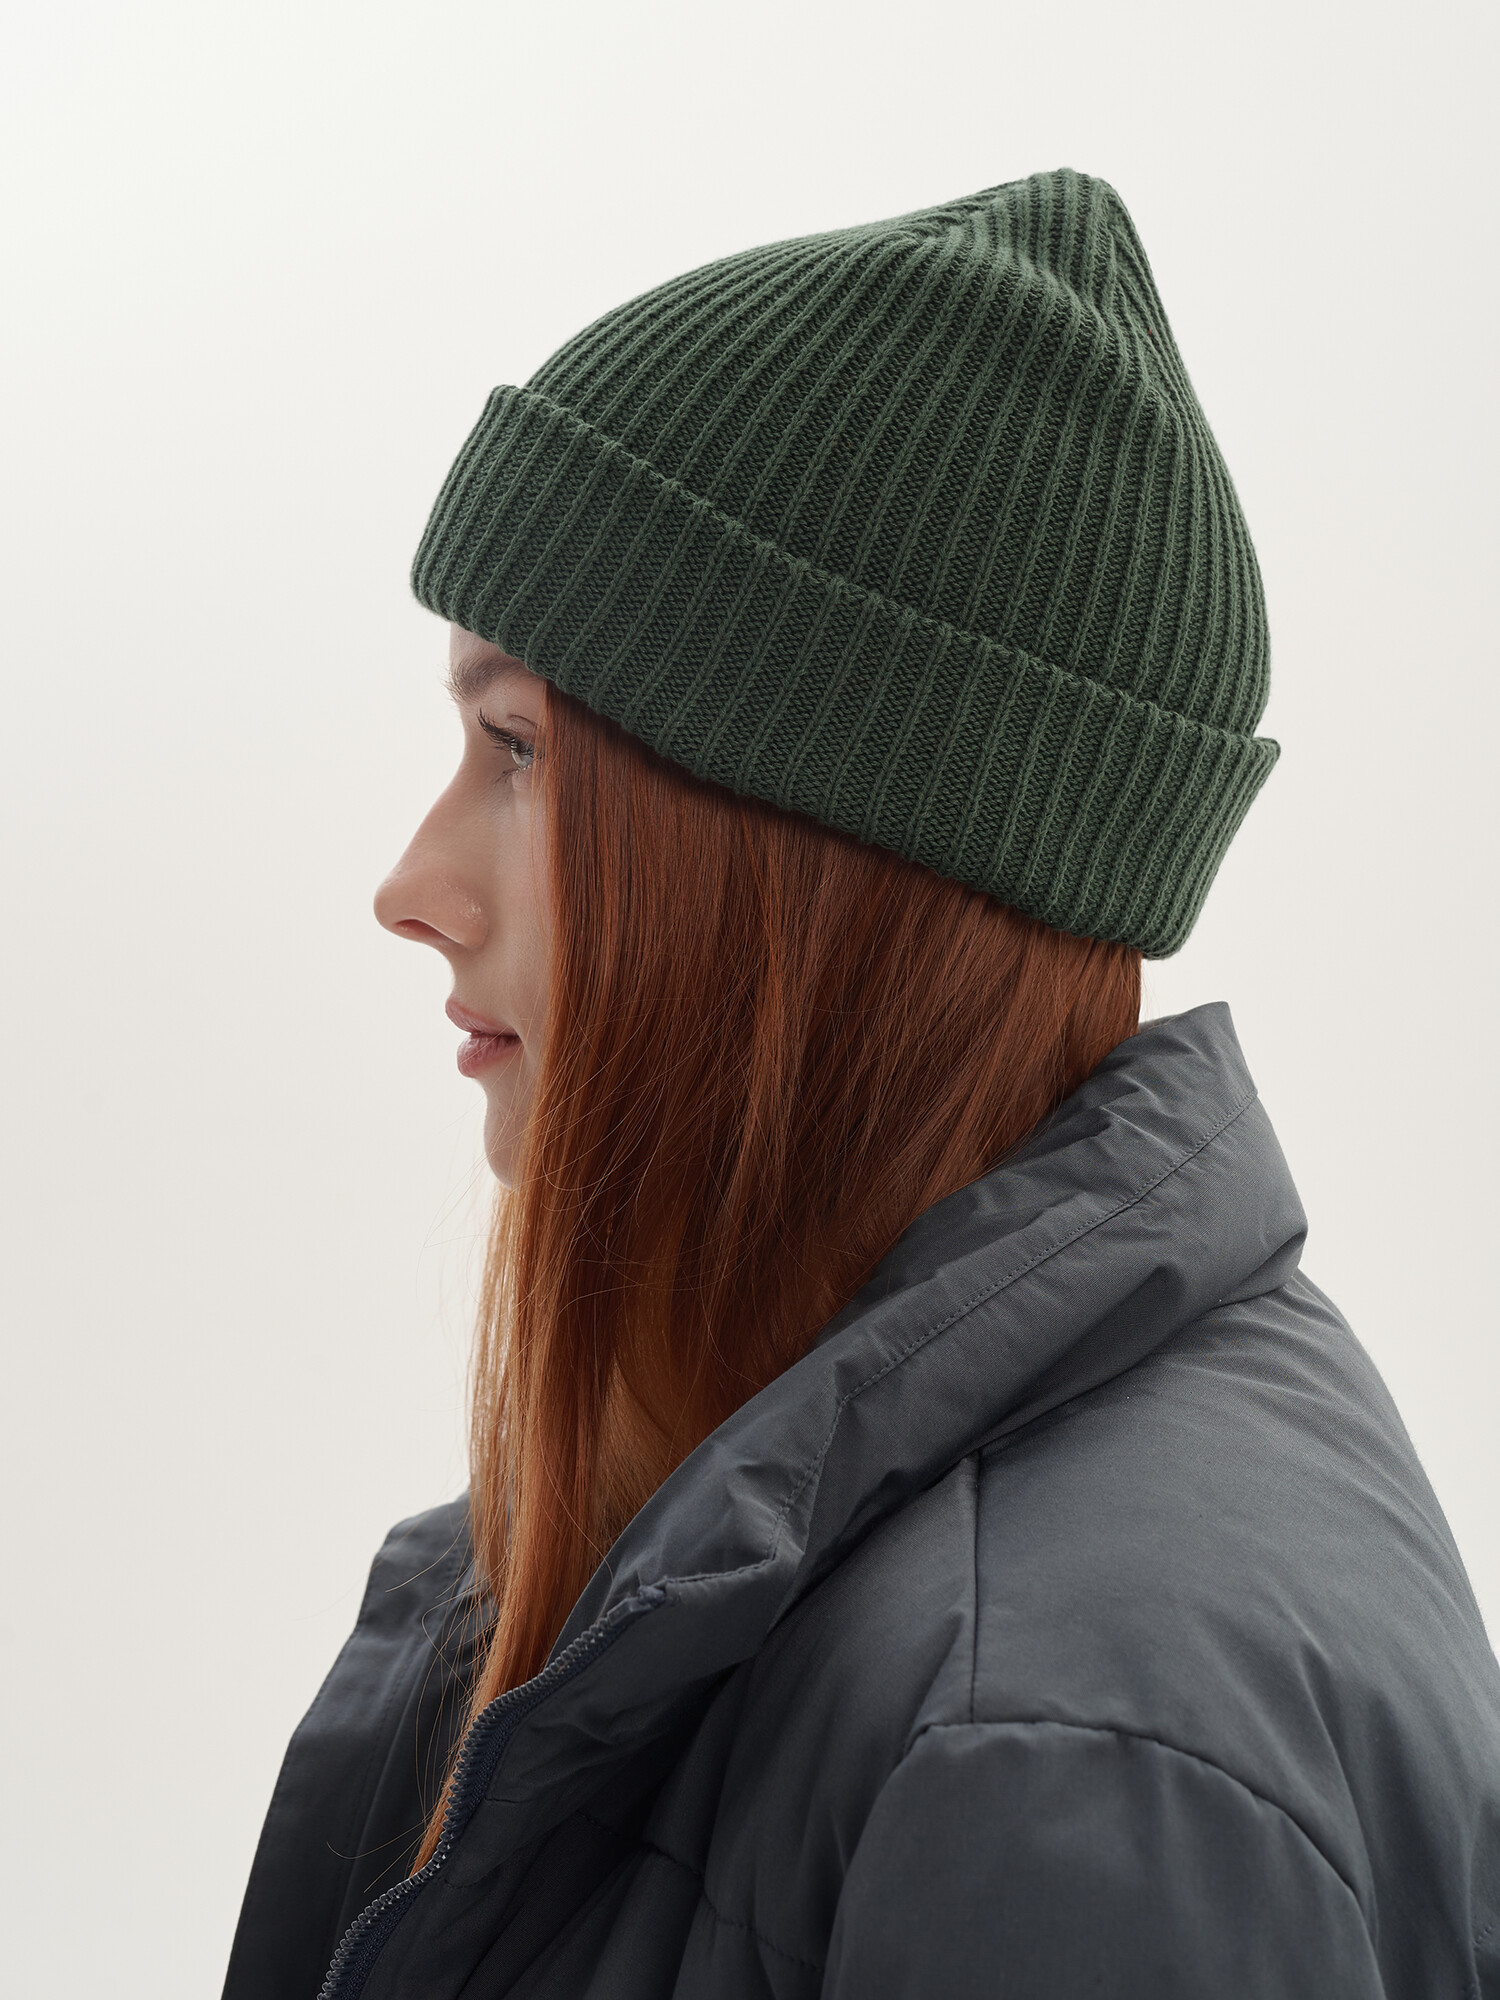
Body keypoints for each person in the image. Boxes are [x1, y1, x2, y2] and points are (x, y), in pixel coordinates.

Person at [222, 169, 1500, 1999]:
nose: (413, 887)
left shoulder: (1052, 1758)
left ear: (828, 861)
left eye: (518, 749)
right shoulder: (839, 1578)